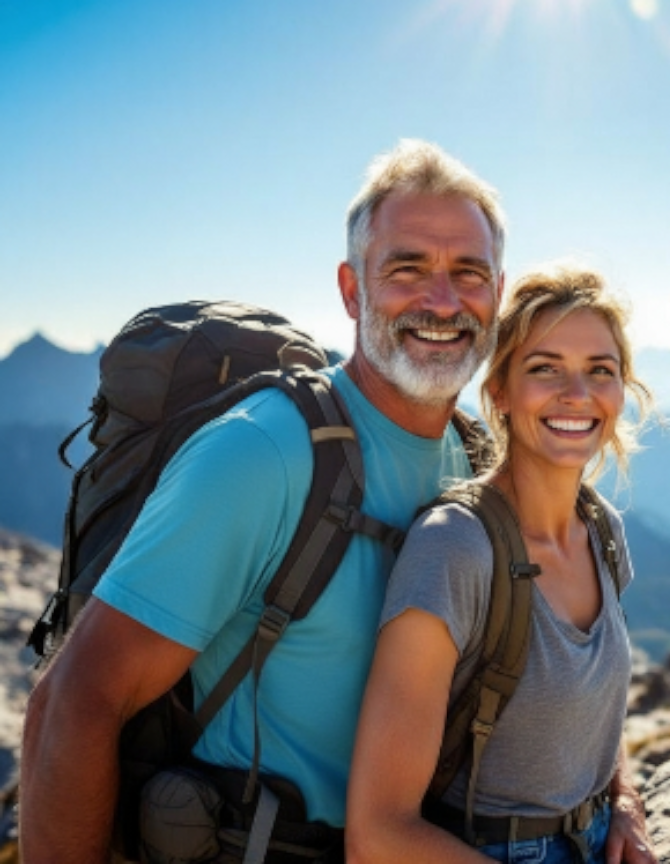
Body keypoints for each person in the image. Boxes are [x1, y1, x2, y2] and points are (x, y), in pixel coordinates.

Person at [20, 139, 507, 863]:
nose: (442, 300)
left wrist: (619, 798)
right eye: (407, 268)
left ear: (497, 291)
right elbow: (72, 702)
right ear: (351, 289)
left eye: (468, 273)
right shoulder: (264, 454)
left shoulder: (474, 460)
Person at [346, 263, 657, 864]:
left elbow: (590, 707)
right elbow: (376, 837)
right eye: (545, 369)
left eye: (601, 371)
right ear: (500, 394)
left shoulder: (602, 532)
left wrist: (624, 799)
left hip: (592, 839)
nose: (578, 394)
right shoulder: (455, 549)